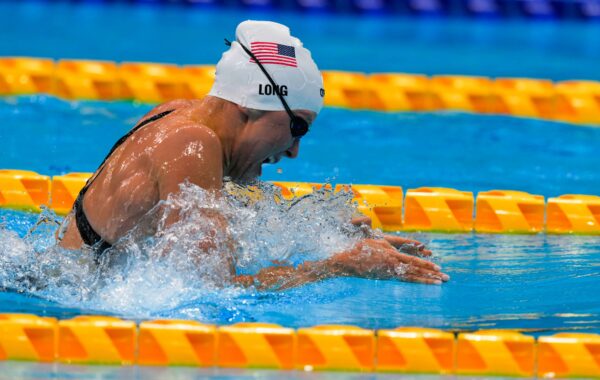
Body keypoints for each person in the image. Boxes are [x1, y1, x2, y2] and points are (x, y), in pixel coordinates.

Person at [58, 20, 449, 288]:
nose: (295, 150)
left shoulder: (178, 114)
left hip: (68, 278)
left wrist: (325, 233)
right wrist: (339, 266)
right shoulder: (193, 143)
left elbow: (214, 216)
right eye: (297, 127)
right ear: (249, 107)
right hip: (79, 303)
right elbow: (209, 289)